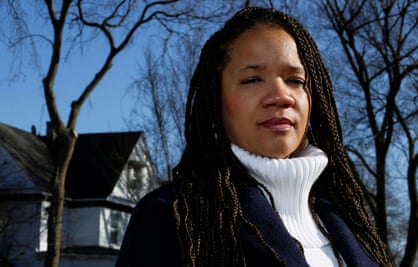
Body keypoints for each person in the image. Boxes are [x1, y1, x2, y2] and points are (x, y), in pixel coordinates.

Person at [115, 7, 392, 267]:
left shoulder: (353, 224)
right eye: (252, 79)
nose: (281, 96)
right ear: (216, 100)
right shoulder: (172, 218)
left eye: (295, 81)